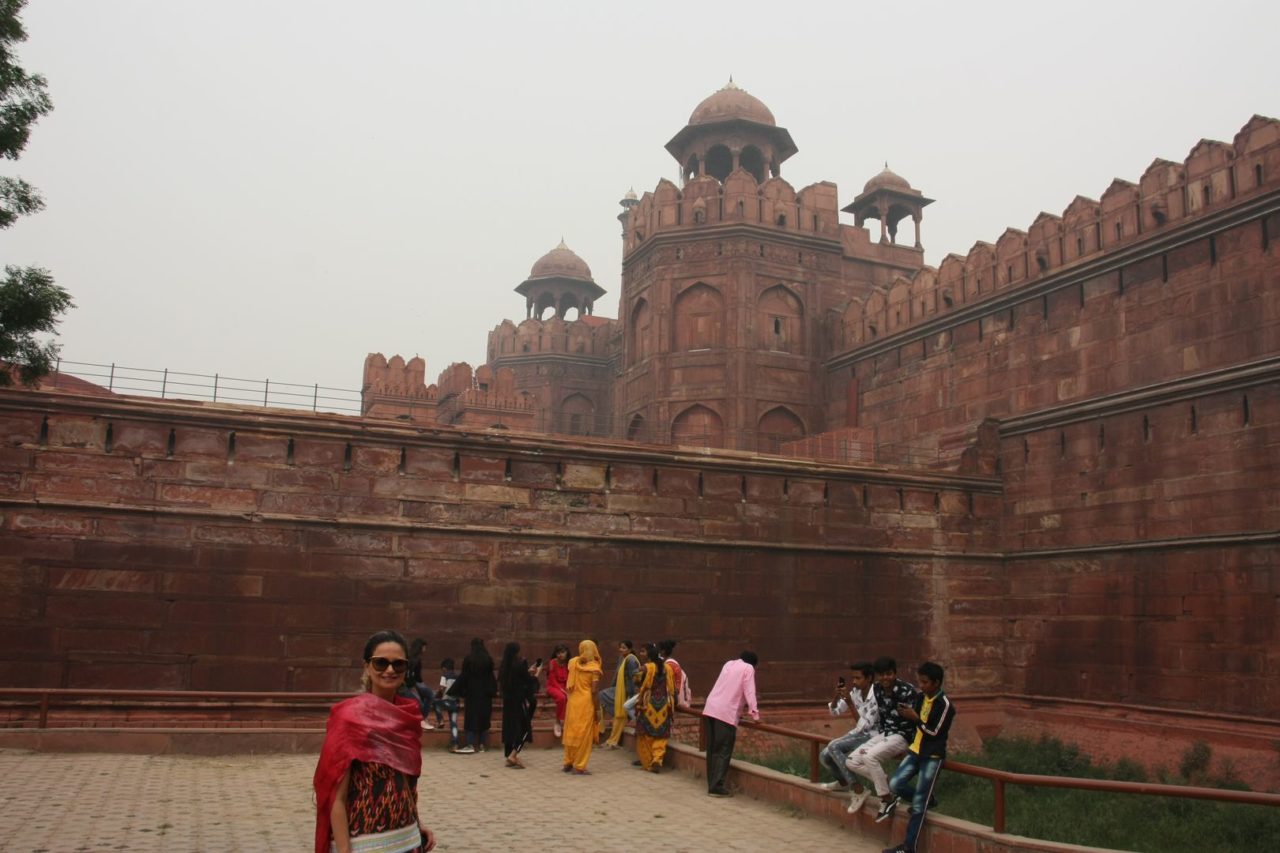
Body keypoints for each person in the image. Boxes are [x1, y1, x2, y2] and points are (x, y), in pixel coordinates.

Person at [313, 629, 436, 853]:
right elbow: (336, 797)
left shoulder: (407, 717)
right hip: (364, 843)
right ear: (367, 667)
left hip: (408, 840)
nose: (390, 670)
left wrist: (418, 825)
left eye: (398, 664)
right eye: (381, 663)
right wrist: (344, 850)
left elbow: (406, 784)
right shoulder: (350, 718)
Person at [881, 662, 955, 853]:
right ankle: (927, 799)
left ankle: (909, 847)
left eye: (925, 682)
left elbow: (934, 732)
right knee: (895, 784)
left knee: (918, 806)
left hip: (932, 756)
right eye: (920, 681)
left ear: (936, 683)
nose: (921, 686)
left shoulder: (945, 705)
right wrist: (907, 715)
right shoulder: (921, 697)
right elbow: (917, 725)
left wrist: (915, 719)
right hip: (915, 750)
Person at [844, 656, 920, 822]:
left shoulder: (906, 691)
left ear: (895, 673)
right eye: (882, 674)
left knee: (870, 756)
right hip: (885, 733)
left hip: (902, 735)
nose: (885, 678)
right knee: (851, 761)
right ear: (877, 676)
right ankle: (884, 783)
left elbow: (918, 718)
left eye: (889, 674)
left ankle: (887, 799)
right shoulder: (877, 689)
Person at [816, 661, 879, 812]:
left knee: (833, 746)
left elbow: (865, 726)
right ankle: (844, 783)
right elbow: (835, 711)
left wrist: (850, 703)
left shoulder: (877, 695)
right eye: (853, 678)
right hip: (859, 733)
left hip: (873, 735)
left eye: (858, 678)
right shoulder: (856, 692)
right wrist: (837, 696)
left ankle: (858, 790)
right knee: (824, 756)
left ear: (869, 678)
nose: (854, 682)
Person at [702, 650, 760, 797]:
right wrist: (754, 713)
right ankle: (716, 787)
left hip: (711, 708)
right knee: (723, 750)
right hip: (726, 712)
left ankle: (712, 784)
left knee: (712, 749)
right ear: (753, 664)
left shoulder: (729, 664)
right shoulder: (748, 668)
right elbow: (749, 691)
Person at [446, 638, 496, 754]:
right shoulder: (488, 660)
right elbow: (491, 677)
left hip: (472, 693)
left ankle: (470, 744)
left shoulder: (469, 659)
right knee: (484, 719)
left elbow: (464, 676)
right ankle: (482, 745)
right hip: (485, 694)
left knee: (470, 719)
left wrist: (454, 690)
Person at [561, 639, 604, 774]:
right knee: (584, 735)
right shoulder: (594, 668)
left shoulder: (573, 663)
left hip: (573, 701)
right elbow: (594, 691)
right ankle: (579, 766)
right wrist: (597, 709)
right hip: (586, 703)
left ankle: (568, 762)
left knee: (572, 731)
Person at [498, 641, 541, 769]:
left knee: (509, 728)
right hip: (518, 702)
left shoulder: (504, 666)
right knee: (524, 729)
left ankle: (508, 755)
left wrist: (527, 671)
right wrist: (536, 673)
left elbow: (515, 677)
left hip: (508, 702)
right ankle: (513, 755)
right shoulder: (519, 664)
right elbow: (528, 681)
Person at [634, 642, 676, 772]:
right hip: (664, 706)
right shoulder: (668, 668)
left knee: (645, 734)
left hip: (648, 705)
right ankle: (657, 759)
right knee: (661, 735)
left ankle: (648, 763)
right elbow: (672, 687)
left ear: (649, 656)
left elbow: (636, 681)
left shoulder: (646, 668)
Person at [599, 639, 640, 748]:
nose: (621, 649)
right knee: (602, 696)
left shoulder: (631, 660)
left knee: (620, 716)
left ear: (630, 649)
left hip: (627, 691)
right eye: (620, 647)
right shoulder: (622, 658)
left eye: (624, 648)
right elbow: (616, 676)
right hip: (619, 689)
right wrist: (612, 687)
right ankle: (610, 737)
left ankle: (613, 741)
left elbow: (633, 679)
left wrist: (631, 695)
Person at [403, 638, 437, 731]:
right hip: (408, 685)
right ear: (420, 648)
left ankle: (422, 719)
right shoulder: (416, 660)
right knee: (424, 699)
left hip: (409, 684)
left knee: (426, 697)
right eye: (424, 647)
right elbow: (417, 677)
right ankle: (422, 719)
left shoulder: (408, 657)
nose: (425, 649)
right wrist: (421, 685)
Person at [435, 658, 461, 750]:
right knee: (453, 723)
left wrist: (438, 694)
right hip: (455, 704)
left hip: (446, 702)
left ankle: (441, 721)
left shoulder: (445, 676)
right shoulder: (457, 677)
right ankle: (455, 744)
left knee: (435, 702)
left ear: (444, 668)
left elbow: (442, 688)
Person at [545, 644, 570, 738]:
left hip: (565, 686)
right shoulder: (552, 663)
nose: (560, 655)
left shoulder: (569, 663)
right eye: (558, 653)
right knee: (562, 698)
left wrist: (567, 689)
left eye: (563, 652)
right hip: (553, 686)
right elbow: (552, 680)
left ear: (567, 653)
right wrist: (562, 690)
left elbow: (570, 678)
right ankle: (558, 722)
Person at [658, 639, 692, 708]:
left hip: (675, 699)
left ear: (663, 651)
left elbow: (674, 686)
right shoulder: (671, 663)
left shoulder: (669, 665)